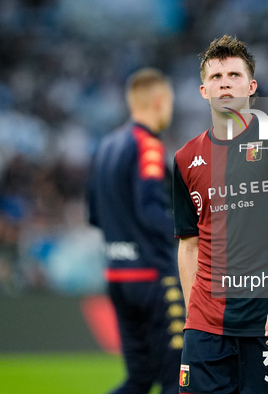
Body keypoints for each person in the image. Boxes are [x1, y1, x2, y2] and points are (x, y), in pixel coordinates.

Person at [173, 36, 268, 394]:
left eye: (234, 74)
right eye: (216, 75)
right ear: (203, 90)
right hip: (206, 334)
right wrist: (195, 317)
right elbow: (189, 244)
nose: (225, 82)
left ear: (251, 87)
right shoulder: (185, 159)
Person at [87, 68, 183, 394]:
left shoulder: (105, 146)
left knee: (140, 379)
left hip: (117, 276)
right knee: (176, 381)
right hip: (153, 277)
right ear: (159, 101)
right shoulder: (148, 145)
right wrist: (196, 234)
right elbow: (150, 208)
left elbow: (95, 216)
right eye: (169, 101)